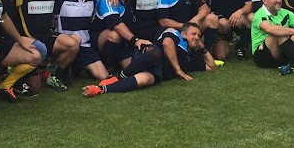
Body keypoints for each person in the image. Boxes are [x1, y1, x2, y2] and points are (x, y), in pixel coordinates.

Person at [82, 23, 215, 96]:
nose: (197, 37)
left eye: (199, 35)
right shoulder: (174, 34)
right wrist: (178, 70)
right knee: (155, 54)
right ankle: (119, 78)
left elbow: (211, 66)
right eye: (193, 34)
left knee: (146, 80)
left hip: (158, 72)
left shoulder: (189, 57)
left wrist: (202, 48)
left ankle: (100, 89)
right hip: (147, 55)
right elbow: (167, 44)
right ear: (184, 34)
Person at [11, 0, 81, 92]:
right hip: (29, 39)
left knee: (74, 43)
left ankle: (55, 75)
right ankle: (23, 71)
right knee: (34, 87)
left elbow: (56, 10)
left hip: (47, 36)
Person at [55, 0, 112, 82]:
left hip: (85, 47)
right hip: (66, 47)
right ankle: (59, 70)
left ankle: (76, 68)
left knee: (103, 76)